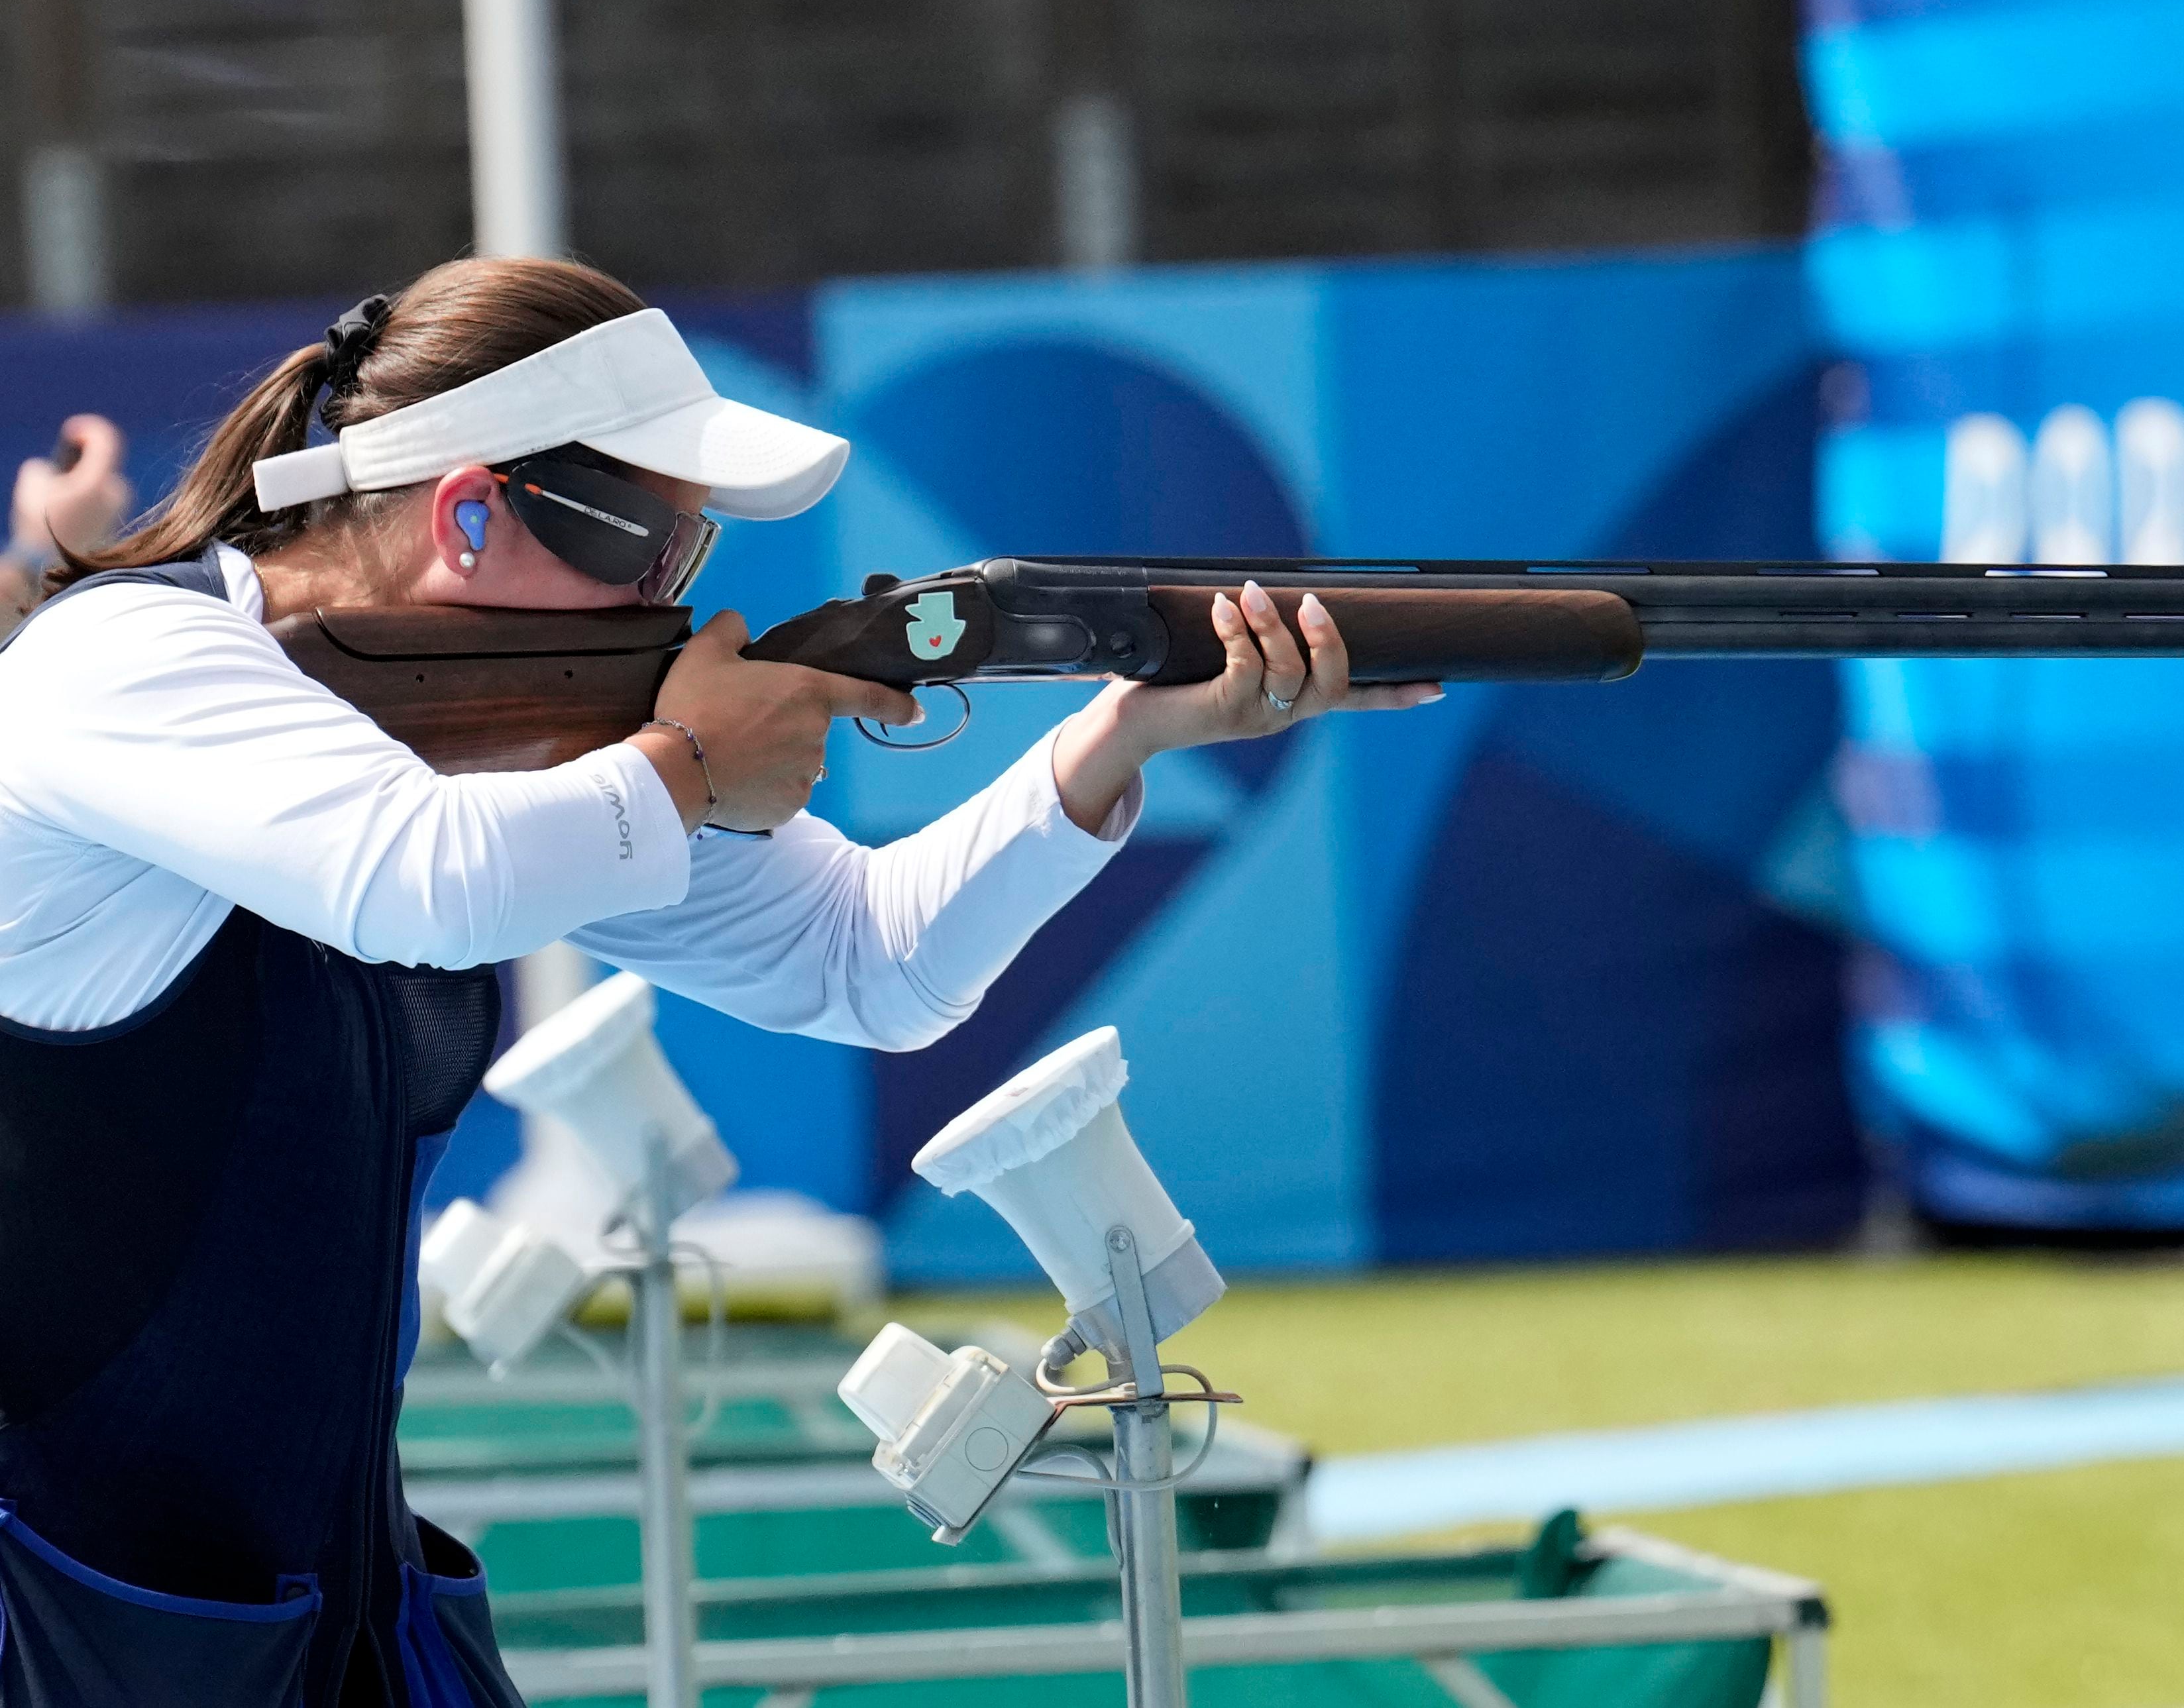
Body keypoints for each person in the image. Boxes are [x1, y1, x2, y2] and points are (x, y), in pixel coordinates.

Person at [0, 257, 1439, 1708]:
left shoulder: (515, 765)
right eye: (652, 551)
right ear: (474, 510)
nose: (672, 604)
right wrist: (687, 768)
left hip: (325, 1614)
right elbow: (417, 878)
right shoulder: (122, 659)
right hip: (65, 1612)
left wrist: (1120, 739)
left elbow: (872, 960)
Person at [0, 414, 133, 639]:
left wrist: (102, 442)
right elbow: (52, 513)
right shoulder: (37, 474)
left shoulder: (114, 493)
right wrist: (101, 442)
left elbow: (90, 489)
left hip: (75, 585)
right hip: (19, 579)